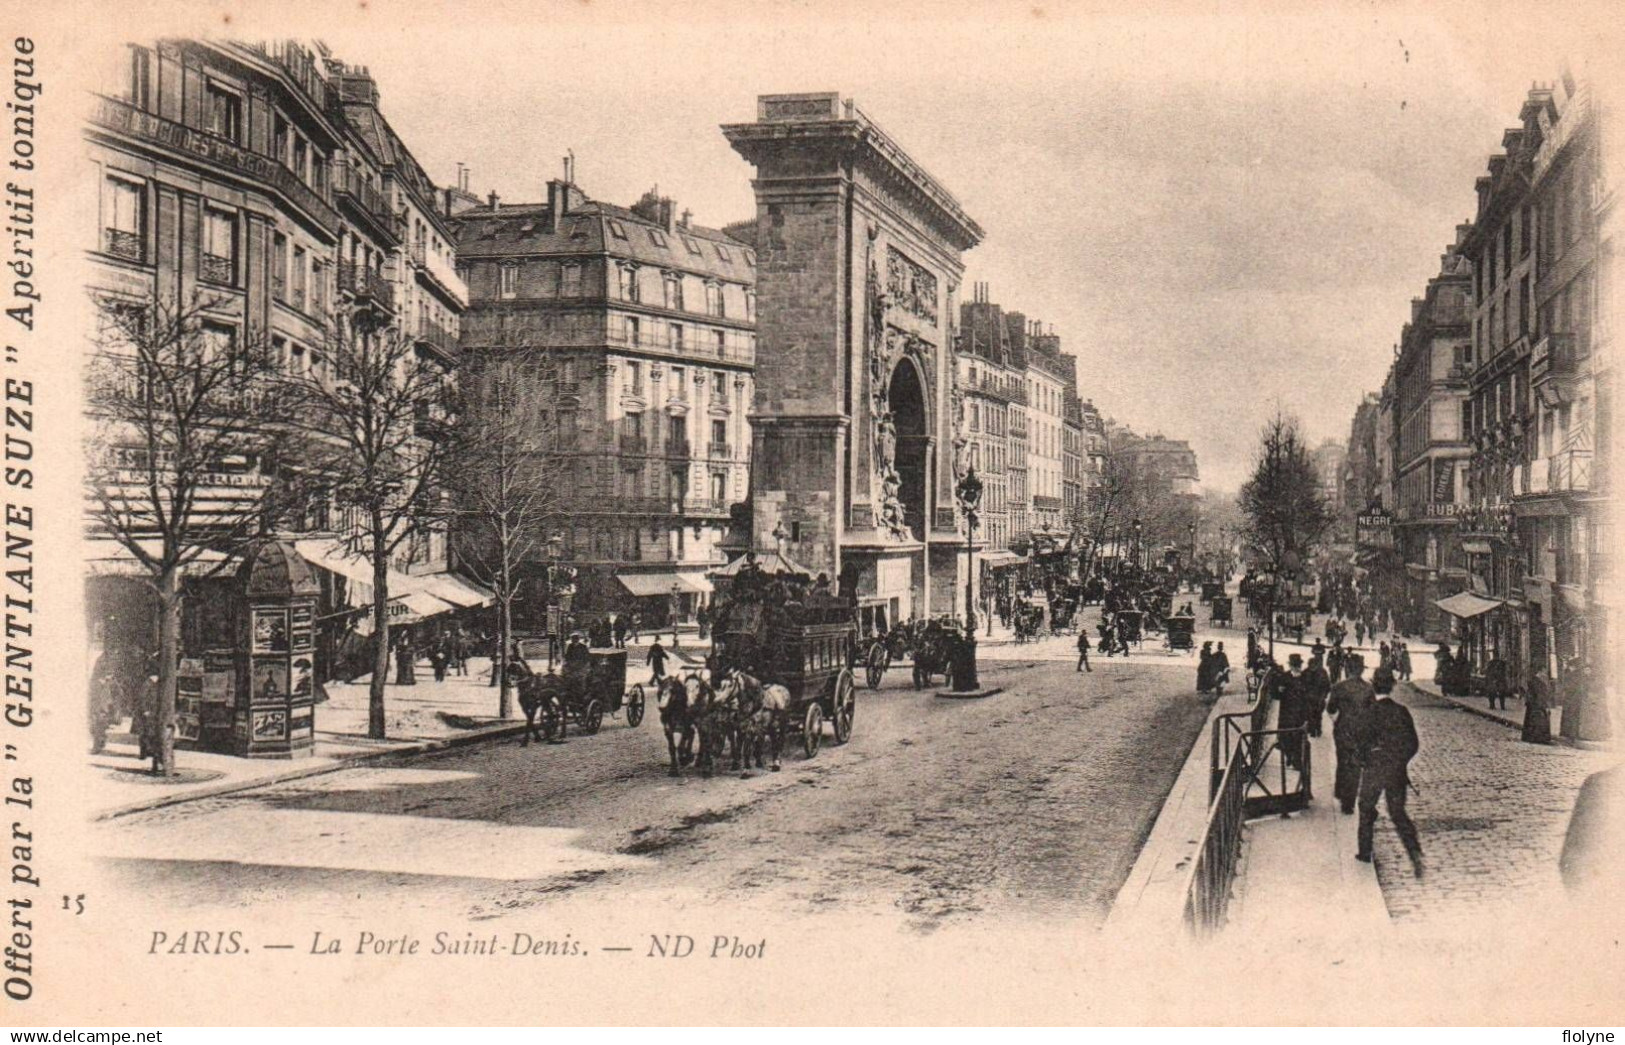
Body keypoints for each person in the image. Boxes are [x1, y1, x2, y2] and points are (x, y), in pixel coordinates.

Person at [1356, 667, 1424, 878]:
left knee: (1366, 808)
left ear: (1373, 685)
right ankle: (1414, 850)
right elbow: (1413, 744)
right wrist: (1399, 761)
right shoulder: (1401, 712)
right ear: (1392, 686)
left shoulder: (1367, 712)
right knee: (1397, 812)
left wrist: (1366, 760)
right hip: (1396, 771)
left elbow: (1358, 743)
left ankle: (1365, 852)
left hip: (1374, 770)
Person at [1327, 653, 1374, 814]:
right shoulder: (1369, 688)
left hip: (1342, 730)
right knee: (1355, 765)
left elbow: (1330, 709)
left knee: (1343, 761)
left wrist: (1338, 719)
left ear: (1347, 669)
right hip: (1361, 732)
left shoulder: (1339, 687)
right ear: (1361, 670)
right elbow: (1373, 712)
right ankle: (1349, 802)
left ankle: (1341, 793)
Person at [1273, 654, 1309, 771]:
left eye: (1298, 665)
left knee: (1298, 737)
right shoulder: (1284, 677)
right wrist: (1278, 690)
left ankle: (1296, 761)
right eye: (1294, 665)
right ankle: (1289, 755)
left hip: (1300, 713)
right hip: (1286, 713)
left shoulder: (1305, 678)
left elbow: (1310, 694)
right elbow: (1275, 695)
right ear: (1290, 666)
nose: (1296, 668)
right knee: (1286, 736)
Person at [1303, 651, 1332, 737]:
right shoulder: (1306, 672)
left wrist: (1324, 695)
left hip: (1319, 697)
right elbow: (1301, 685)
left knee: (1318, 714)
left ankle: (1317, 729)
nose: (1312, 667)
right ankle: (1312, 730)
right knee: (1310, 714)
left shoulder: (1322, 672)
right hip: (1309, 698)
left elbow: (1327, 685)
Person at [1522, 668, 1553, 744]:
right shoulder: (1538, 682)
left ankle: (1531, 737)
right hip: (1537, 704)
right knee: (1537, 721)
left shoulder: (1535, 681)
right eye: (1544, 672)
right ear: (1540, 672)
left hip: (1534, 704)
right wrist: (1544, 705)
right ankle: (1538, 738)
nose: (1545, 674)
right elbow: (1539, 695)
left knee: (1532, 721)